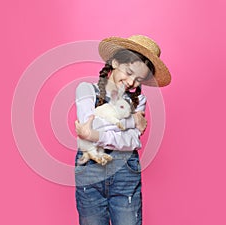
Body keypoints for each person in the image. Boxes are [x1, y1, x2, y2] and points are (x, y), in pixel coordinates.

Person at [74, 35, 171, 225]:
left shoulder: (138, 101)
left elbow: (132, 142)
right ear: (115, 62)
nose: (131, 82)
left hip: (125, 174)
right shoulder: (85, 89)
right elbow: (89, 128)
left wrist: (95, 135)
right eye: (128, 72)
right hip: (90, 174)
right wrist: (130, 122)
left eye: (139, 80)